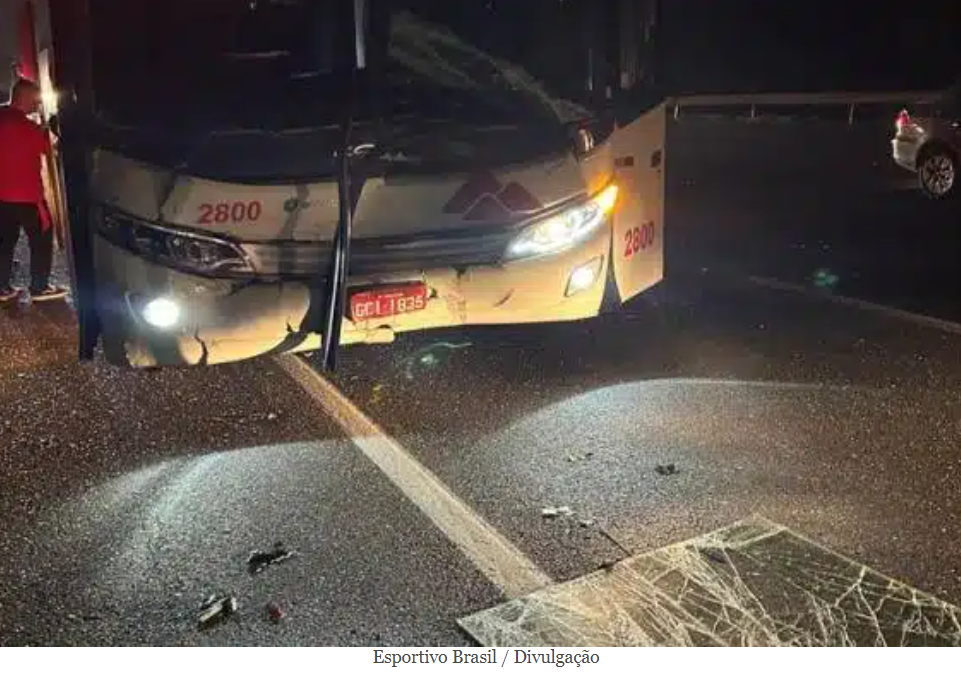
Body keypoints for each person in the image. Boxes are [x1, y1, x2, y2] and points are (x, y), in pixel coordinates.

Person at [0, 78, 67, 302]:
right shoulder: (29, 129)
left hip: (1, 196)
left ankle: (2, 288)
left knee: (4, 242)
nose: (36, 106)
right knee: (41, 240)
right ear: (25, 98)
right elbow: (50, 149)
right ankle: (39, 287)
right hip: (28, 197)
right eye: (35, 101)